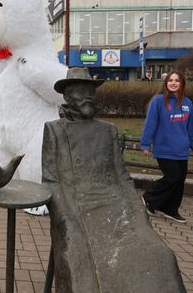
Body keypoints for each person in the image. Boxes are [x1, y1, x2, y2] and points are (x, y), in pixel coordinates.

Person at [42, 67, 185, 292]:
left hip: (114, 204)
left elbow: (122, 175)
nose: (87, 97)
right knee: (79, 257)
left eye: (90, 92)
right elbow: (50, 180)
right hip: (75, 205)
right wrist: (66, 217)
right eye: (80, 93)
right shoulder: (54, 130)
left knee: (159, 252)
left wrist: (137, 210)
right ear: (67, 97)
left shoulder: (107, 130)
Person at [140, 70, 192, 223]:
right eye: (170, 80)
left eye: (177, 80)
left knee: (179, 181)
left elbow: (190, 129)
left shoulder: (188, 103)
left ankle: (170, 209)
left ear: (182, 84)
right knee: (172, 177)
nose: (173, 83)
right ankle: (149, 198)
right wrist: (145, 143)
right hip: (164, 149)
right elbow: (150, 124)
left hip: (182, 150)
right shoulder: (158, 101)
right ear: (166, 83)